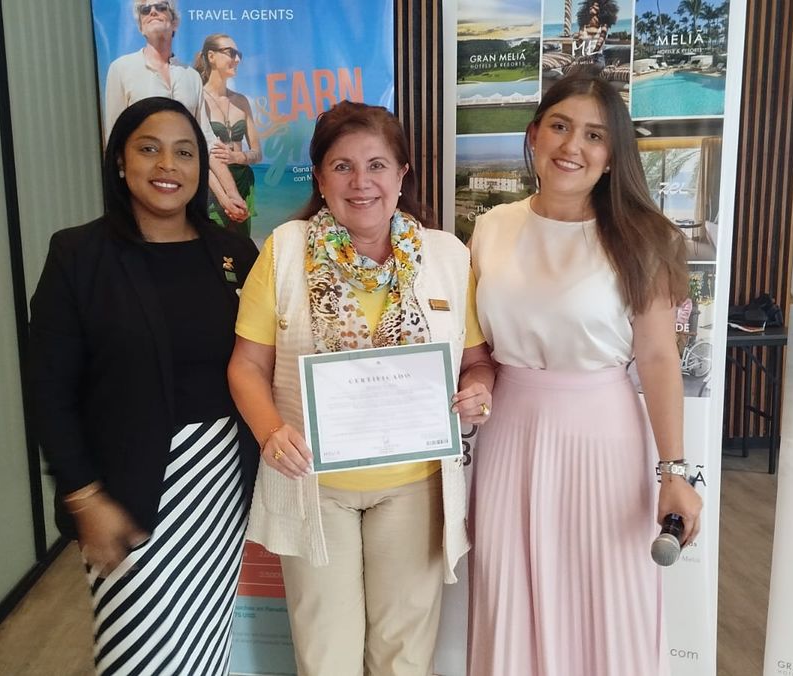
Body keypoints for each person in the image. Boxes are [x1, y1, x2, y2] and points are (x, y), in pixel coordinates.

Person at [227, 100, 495, 676]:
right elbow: (246, 364)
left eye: (377, 165)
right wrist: (270, 432)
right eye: (342, 166)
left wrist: (478, 389)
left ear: (402, 175)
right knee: (326, 655)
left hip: (414, 486)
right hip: (315, 486)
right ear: (320, 178)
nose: (361, 181)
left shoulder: (446, 256)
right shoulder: (285, 251)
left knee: (403, 653)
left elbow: (478, 361)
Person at [466, 70, 702, 676]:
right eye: (561, 127)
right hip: (507, 436)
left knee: (606, 600)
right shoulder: (492, 226)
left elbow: (657, 359)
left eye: (594, 135)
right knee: (508, 593)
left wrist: (674, 472)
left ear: (612, 155)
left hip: (604, 439)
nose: (573, 146)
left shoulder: (642, 237)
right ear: (535, 134)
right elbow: (479, 347)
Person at [29, 97, 260, 675]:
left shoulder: (232, 253)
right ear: (119, 162)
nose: (168, 165)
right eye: (148, 148)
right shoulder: (79, 254)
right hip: (127, 488)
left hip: (220, 485)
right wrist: (83, 496)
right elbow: (48, 388)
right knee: (138, 654)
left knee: (206, 649)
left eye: (185, 153)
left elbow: (265, 360)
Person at [103, 0, 248, 225]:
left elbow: (205, 144)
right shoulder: (121, 69)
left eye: (160, 7)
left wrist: (230, 196)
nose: (152, 12)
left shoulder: (190, 77)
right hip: (141, 195)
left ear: (175, 21)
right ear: (140, 25)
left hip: (186, 194)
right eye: (145, 10)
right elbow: (113, 141)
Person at [194, 34, 262, 236]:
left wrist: (238, 157)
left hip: (243, 182)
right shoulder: (198, 100)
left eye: (239, 54)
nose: (238, 59)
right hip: (211, 187)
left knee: (240, 248)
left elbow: (258, 153)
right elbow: (200, 157)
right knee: (217, 248)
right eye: (231, 53)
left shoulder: (241, 101)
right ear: (211, 56)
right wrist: (224, 197)